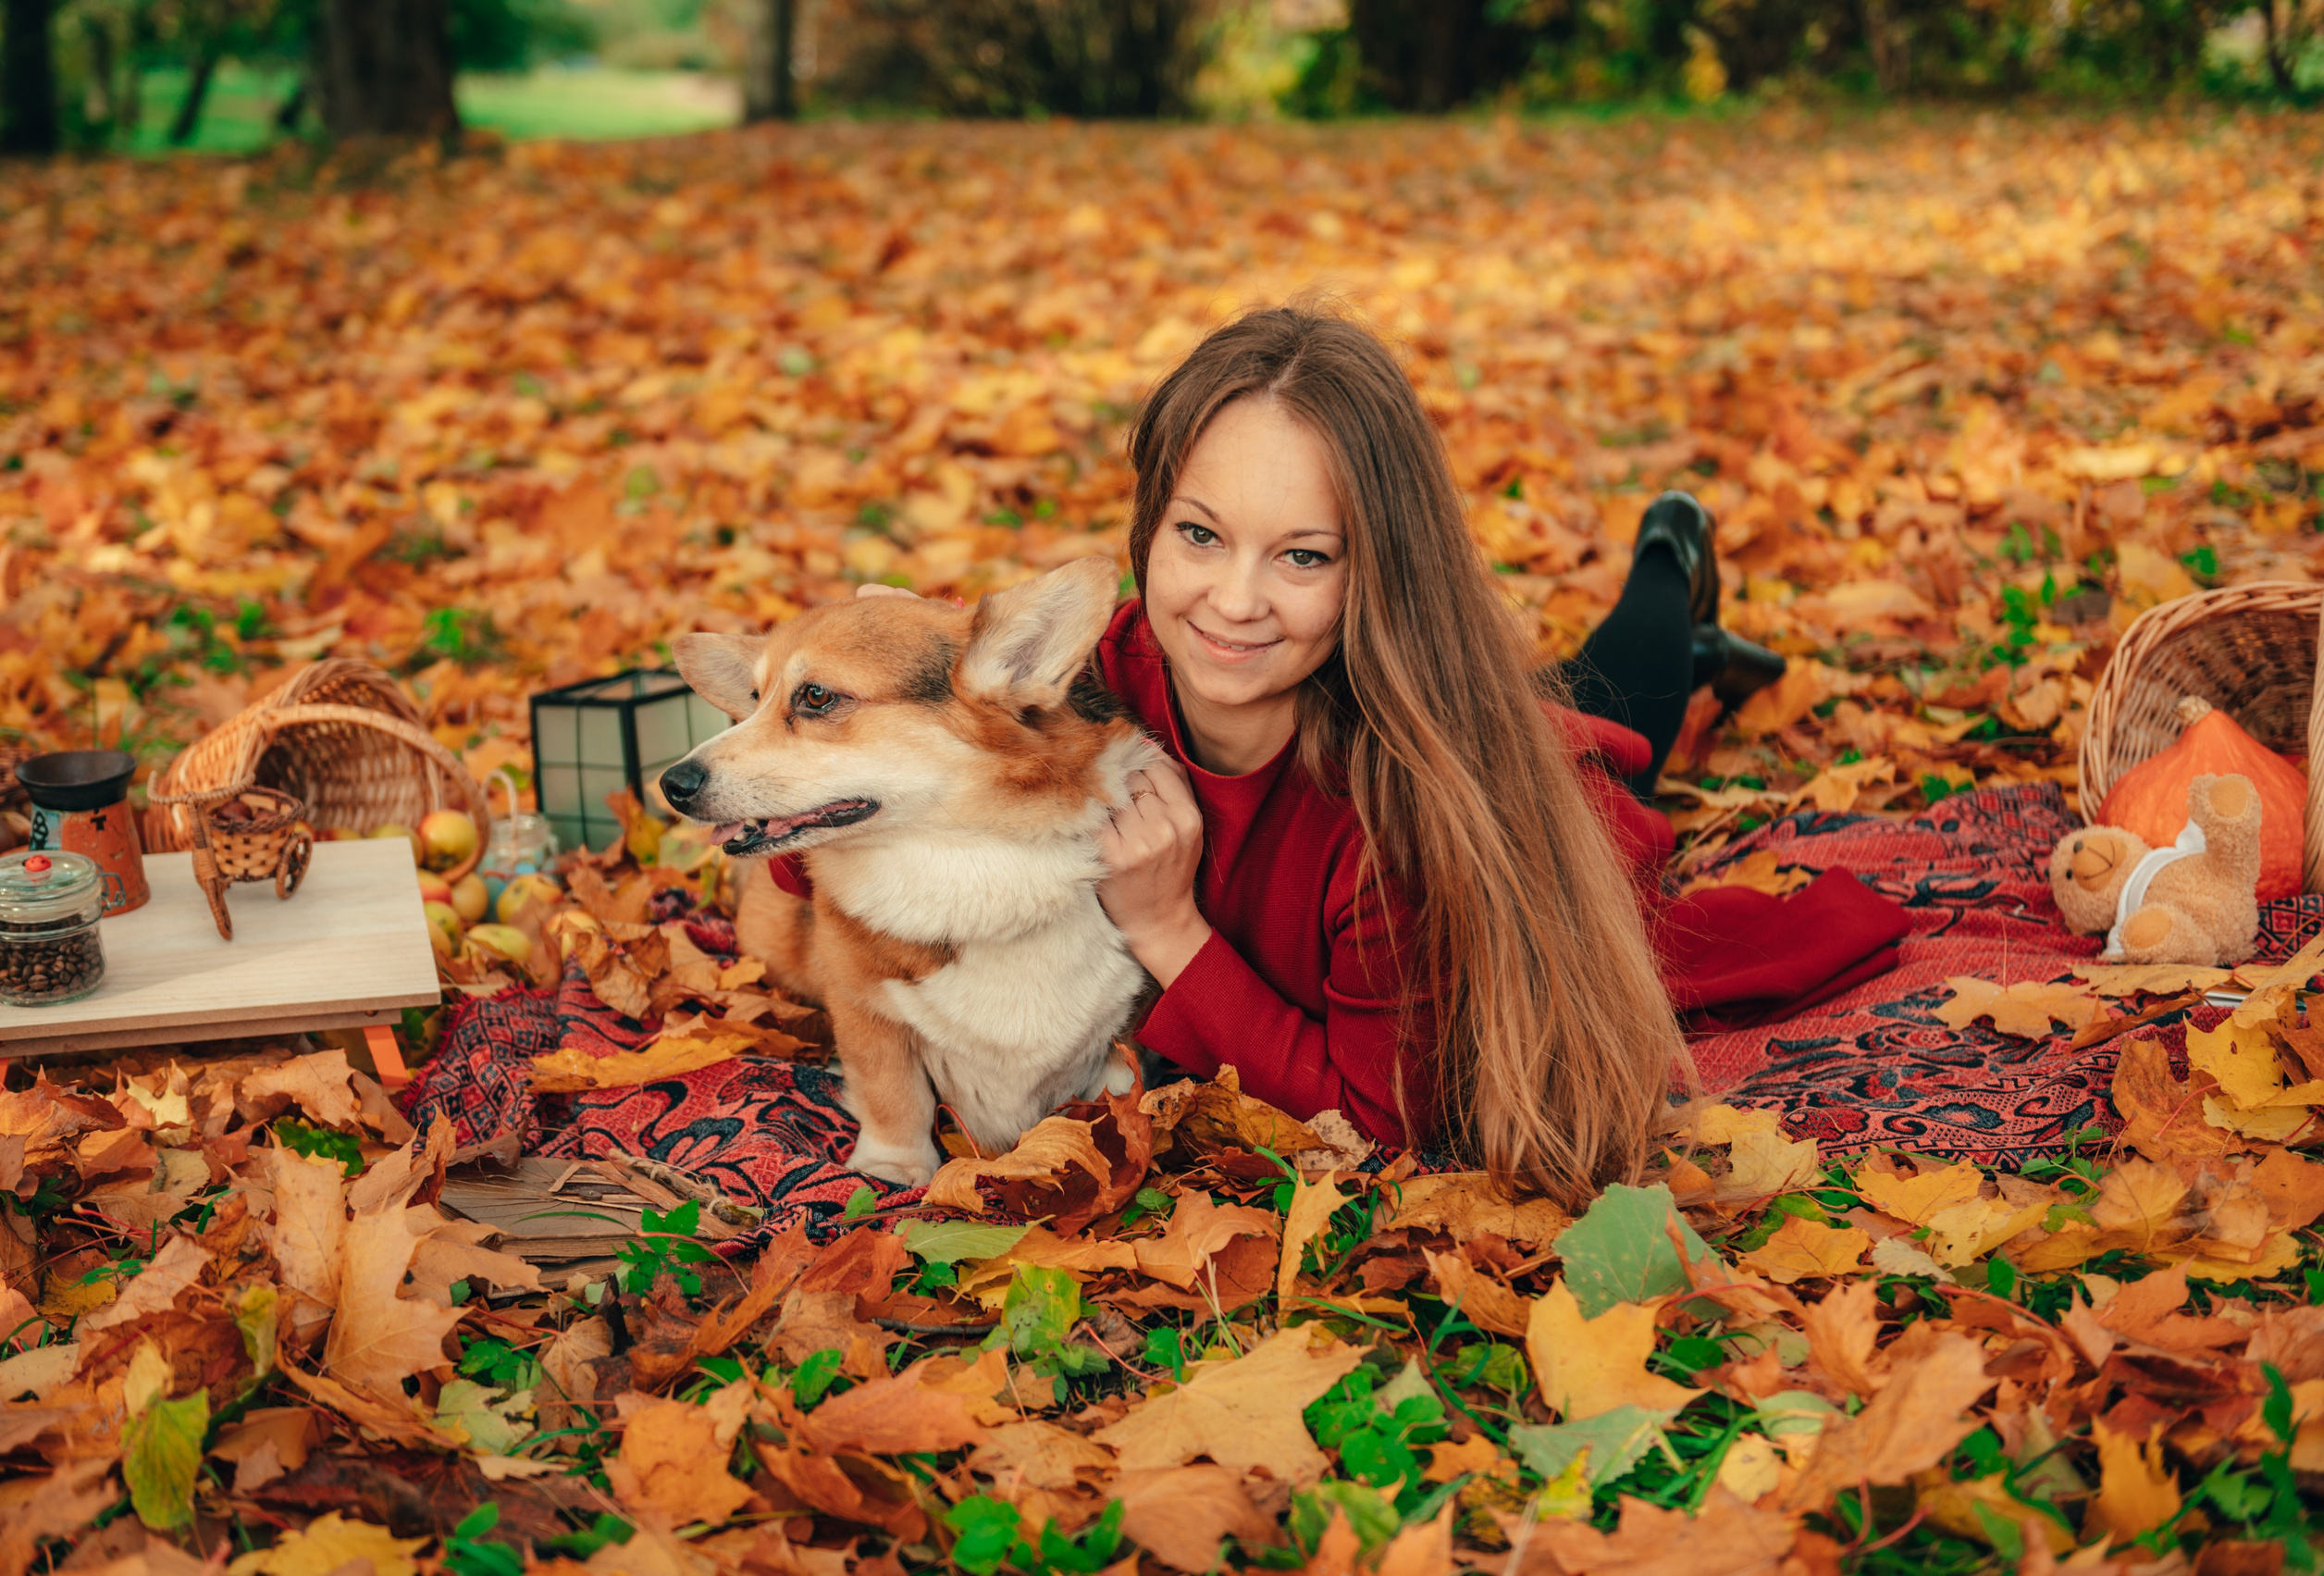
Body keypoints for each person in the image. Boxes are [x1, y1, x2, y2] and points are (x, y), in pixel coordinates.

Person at [812, 304, 1910, 1205]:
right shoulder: (1111, 669)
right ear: (1148, 526)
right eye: (1198, 535)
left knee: (1616, 714)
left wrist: (1169, 926)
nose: (1233, 602)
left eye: (1302, 554)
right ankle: (1671, 587)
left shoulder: (1407, 822)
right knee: (1569, 683)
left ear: (1373, 570)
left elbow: (1376, 1120)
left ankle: (1671, 565)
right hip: (1388, 711)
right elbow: (865, 807)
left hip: (1527, 806)